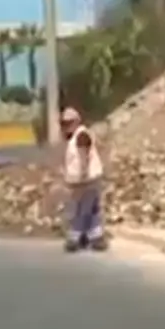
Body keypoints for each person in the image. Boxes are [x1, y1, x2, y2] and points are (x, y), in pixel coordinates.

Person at [60, 107, 107, 253]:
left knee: (81, 210)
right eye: (64, 123)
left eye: (69, 123)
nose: (66, 126)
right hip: (87, 180)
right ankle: (96, 238)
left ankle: (75, 239)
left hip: (86, 180)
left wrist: (82, 176)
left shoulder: (81, 136)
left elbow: (83, 157)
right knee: (91, 210)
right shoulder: (76, 137)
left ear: (76, 122)